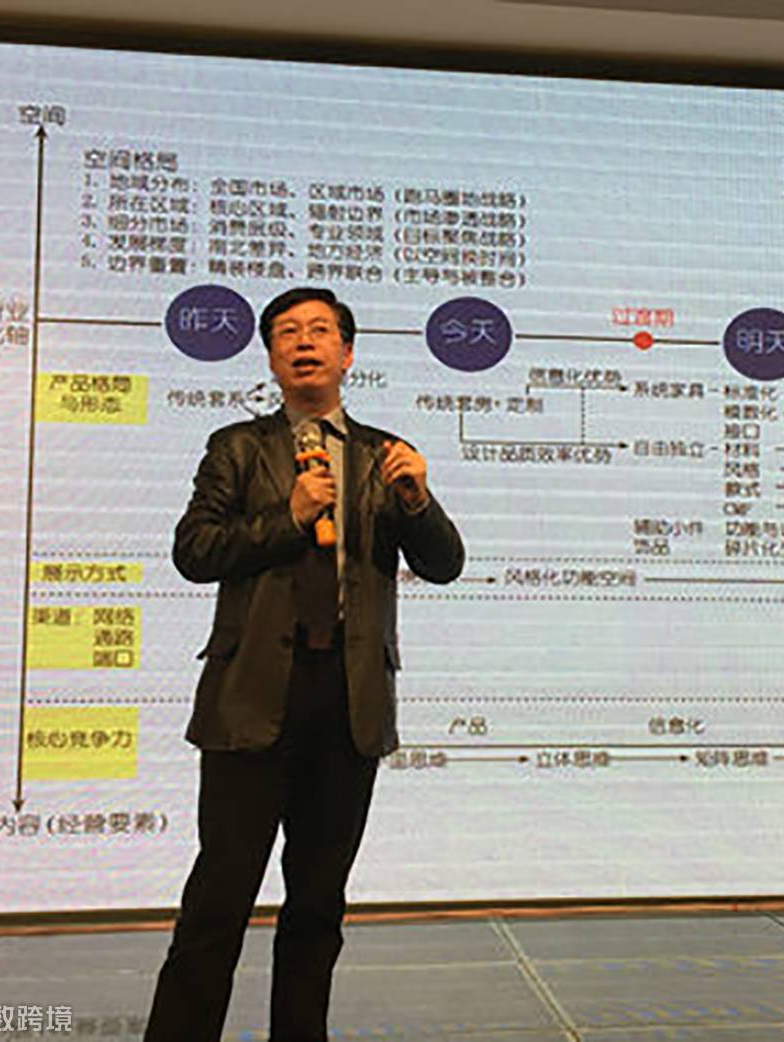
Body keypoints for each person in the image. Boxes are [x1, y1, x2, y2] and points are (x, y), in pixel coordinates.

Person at [143, 287, 464, 1042]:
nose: (304, 342)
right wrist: (288, 515)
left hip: (348, 703)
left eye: (320, 330)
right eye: (287, 332)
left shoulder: (385, 455)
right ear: (271, 357)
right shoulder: (238, 448)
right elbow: (195, 551)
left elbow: (444, 564)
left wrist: (417, 502)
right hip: (252, 698)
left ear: (347, 354)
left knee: (318, 905)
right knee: (219, 899)